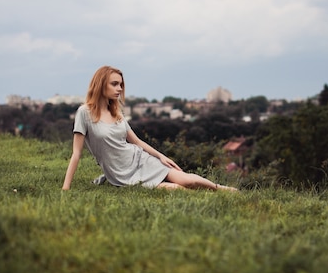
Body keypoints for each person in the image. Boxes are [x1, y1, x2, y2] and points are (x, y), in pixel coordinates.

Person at [62, 65, 237, 192]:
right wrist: (66, 188)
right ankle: (207, 195)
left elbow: (136, 141)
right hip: (121, 174)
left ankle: (221, 189)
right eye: (114, 84)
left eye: (121, 85)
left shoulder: (116, 112)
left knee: (187, 180)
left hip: (141, 160)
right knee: (176, 189)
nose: (119, 89)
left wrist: (162, 156)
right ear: (100, 84)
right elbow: (76, 153)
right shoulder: (84, 113)